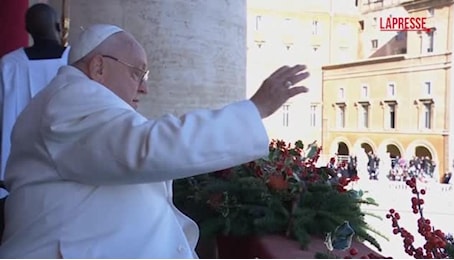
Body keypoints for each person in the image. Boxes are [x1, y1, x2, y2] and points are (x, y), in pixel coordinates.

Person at [0, 24, 310, 258]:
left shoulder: (78, 101)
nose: (144, 87)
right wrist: (255, 109)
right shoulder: (71, 97)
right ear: (98, 67)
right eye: (138, 72)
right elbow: (148, 149)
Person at [0, 3, 70, 184]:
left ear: (26, 29)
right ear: (58, 26)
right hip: (68, 165)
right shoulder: (75, 60)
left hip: (17, 167)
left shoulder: (9, 65)